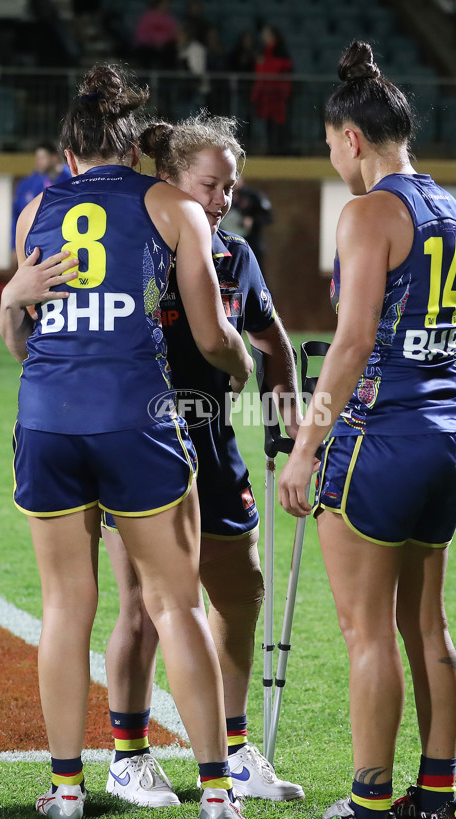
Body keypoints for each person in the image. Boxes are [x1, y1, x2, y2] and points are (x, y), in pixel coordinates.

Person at [0, 63, 253, 819]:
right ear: (135, 149)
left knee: (65, 609)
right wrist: (245, 363)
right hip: (136, 417)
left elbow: (23, 340)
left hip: (48, 417)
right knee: (176, 605)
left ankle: (69, 790)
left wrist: (11, 299)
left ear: (69, 153)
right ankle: (214, 793)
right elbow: (209, 338)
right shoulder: (174, 206)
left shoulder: (36, 210)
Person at [277, 41, 456, 819]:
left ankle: (367, 802)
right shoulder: (453, 210)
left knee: (365, 631)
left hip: (382, 438)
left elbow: (354, 339)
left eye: (330, 143)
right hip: (448, 437)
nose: (331, 156)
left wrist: (305, 446)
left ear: (351, 138)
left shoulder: (367, 212)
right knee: (425, 622)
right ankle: (435, 796)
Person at [100, 112, 305, 809]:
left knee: (241, 587)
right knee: (142, 607)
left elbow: (275, 344)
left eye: (229, 187)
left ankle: (233, 743)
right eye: (209, 185)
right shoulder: (135, 251)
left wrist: (289, 432)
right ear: (171, 183)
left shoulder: (236, 257)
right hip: (142, 443)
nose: (221, 199)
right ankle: (128, 756)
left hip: (214, 445)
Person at [11, 142, 71, 251]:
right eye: (37, 158)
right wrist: (14, 246)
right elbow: (17, 215)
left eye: (42, 157)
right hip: (37, 246)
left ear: (54, 158)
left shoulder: (71, 179)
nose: (38, 162)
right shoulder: (28, 184)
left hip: (67, 244)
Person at [250, 24, 293, 155]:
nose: (263, 37)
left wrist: (264, 64)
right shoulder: (265, 50)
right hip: (268, 95)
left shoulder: (280, 50)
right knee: (269, 123)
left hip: (278, 95)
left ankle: (280, 151)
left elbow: (283, 68)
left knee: (279, 124)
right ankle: (271, 150)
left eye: (266, 35)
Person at [221, 175, 273, 271]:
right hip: (226, 243)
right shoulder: (220, 195)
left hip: (250, 242)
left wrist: (253, 220)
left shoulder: (253, 196)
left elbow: (268, 217)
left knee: (254, 271)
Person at [132, 0, 179, 69]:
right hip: (148, 46)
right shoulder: (147, 16)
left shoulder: (170, 18)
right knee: (144, 52)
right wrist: (154, 42)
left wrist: (163, 42)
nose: (166, 6)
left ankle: (167, 76)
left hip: (165, 46)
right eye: (164, 4)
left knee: (171, 51)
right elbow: (141, 34)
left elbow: (173, 34)